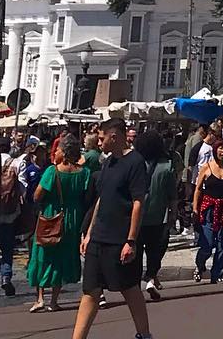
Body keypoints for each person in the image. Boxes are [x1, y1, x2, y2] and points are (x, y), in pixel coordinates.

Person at [70, 117, 154, 339]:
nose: (99, 143)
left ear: (114, 137)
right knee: (91, 290)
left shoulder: (135, 163)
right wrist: (89, 233)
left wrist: (131, 240)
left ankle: (144, 334)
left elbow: (138, 203)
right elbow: (101, 199)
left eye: (101, 138)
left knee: (128, 288)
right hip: (99, 237)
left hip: (120, 238)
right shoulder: (107, 163)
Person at [27, 134, 90, 314]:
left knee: (43, 255)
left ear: (64, 151)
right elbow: (85, 196)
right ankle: (54, 300)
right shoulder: (83, 173)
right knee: (62, 258)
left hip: (51, 216)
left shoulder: (52, 171)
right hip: (72, 218)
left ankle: (40, 298)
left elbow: (37, 195)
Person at [133, 129, 176, 302]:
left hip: (137, 216)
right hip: (159, 216)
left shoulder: (135, 164)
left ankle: (135, 285)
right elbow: (172, 195)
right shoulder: (167, 166)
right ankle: (150, 276)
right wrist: (173, 215)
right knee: (155, 250)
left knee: (136, 252)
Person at [192, 133, 223, 285]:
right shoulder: (207, 167)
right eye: (220, 148)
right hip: (209, 209)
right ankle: (200, 266)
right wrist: (195, 208)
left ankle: (217, 274)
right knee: (207, 244)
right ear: (215, 150)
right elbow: (198, 189)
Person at [0, 136, 21, 297]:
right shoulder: (16, 163)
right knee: (7, 248)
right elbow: (23, 187)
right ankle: (6, 277)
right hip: (8, 212)